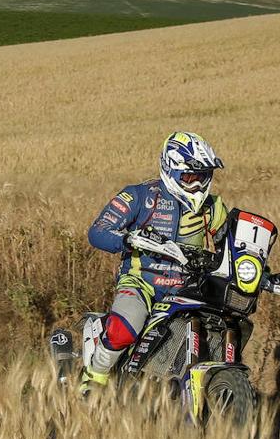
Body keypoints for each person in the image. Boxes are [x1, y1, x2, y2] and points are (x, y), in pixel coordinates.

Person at [81, 131, 228, 393]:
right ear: (170, 170)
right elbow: (97, 231)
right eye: (189, 177)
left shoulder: (214, 208)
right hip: (142, 282)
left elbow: (231, 245)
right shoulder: (139, 196)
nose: (196, 185)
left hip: (189, 288)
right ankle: (94, 376)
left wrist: (257, 268)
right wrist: (128, 240)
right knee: (127, 326)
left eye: (202, 177)